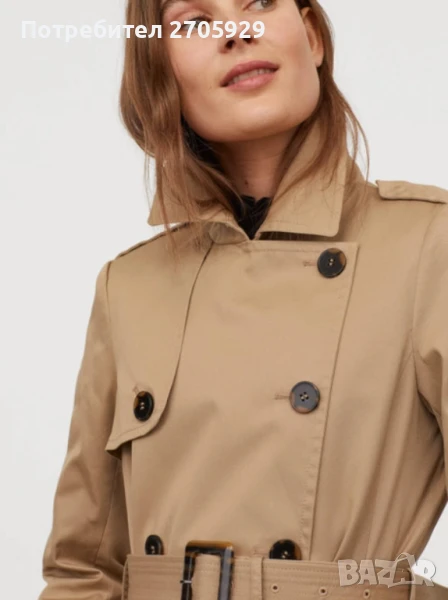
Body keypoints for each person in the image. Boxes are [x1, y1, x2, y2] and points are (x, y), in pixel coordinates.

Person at [38, 1, 448, 599]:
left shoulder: (429, 245)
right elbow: (82, 571)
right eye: (194, 21)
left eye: (259, 0)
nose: (236, 31)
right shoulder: (128, 286)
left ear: (311, 36)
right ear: (159, 73)